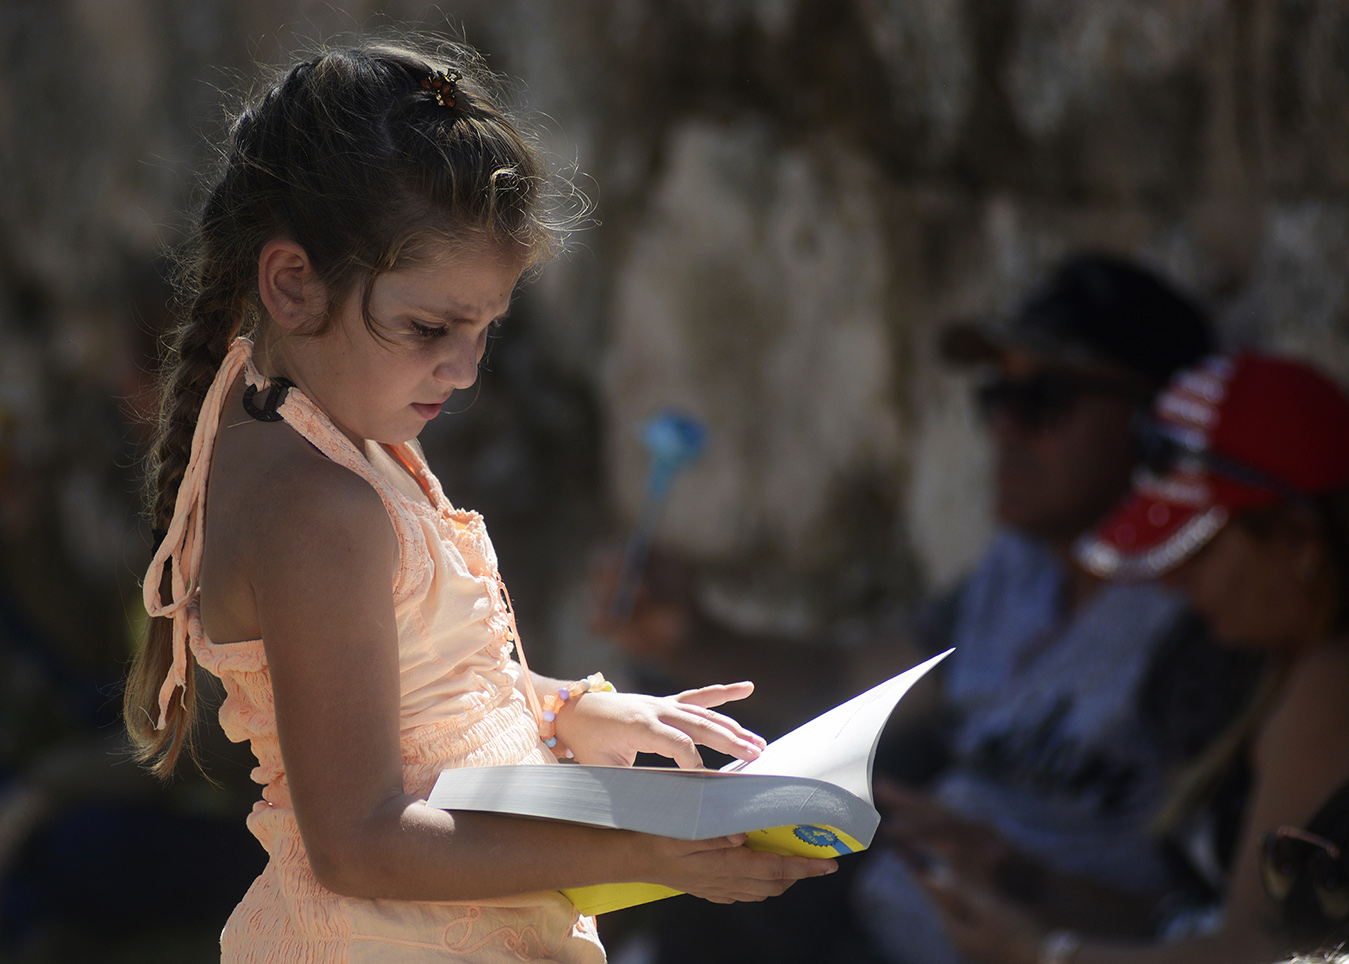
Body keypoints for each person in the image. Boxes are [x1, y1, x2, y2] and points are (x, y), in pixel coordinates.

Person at [122, 40, 836, 963]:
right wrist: (658, 848)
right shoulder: (316, 506)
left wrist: (564, 710)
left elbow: (412, 696)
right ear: (293, 284)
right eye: (429, 328)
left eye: (485, 331)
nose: (462, 370)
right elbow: (359, 839)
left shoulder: (343, 436)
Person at [597, 255, 1255, 964]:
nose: (1005, 430)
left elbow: (1215, 926)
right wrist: (694, 637)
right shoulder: (1018, 571)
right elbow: (850, 677)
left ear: (1155, 422)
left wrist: (1018, 884)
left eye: (1045, 401)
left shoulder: (1196, 621)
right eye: (996, 398)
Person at [916, 353, 1349, 964]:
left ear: (1298, 542)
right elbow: (1187, 925)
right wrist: (1019, 877)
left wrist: (1044, 957)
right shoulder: (1279, 664)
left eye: (1196, 553)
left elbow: (1262, 953)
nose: (1172, 584)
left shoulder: (1330, 687)